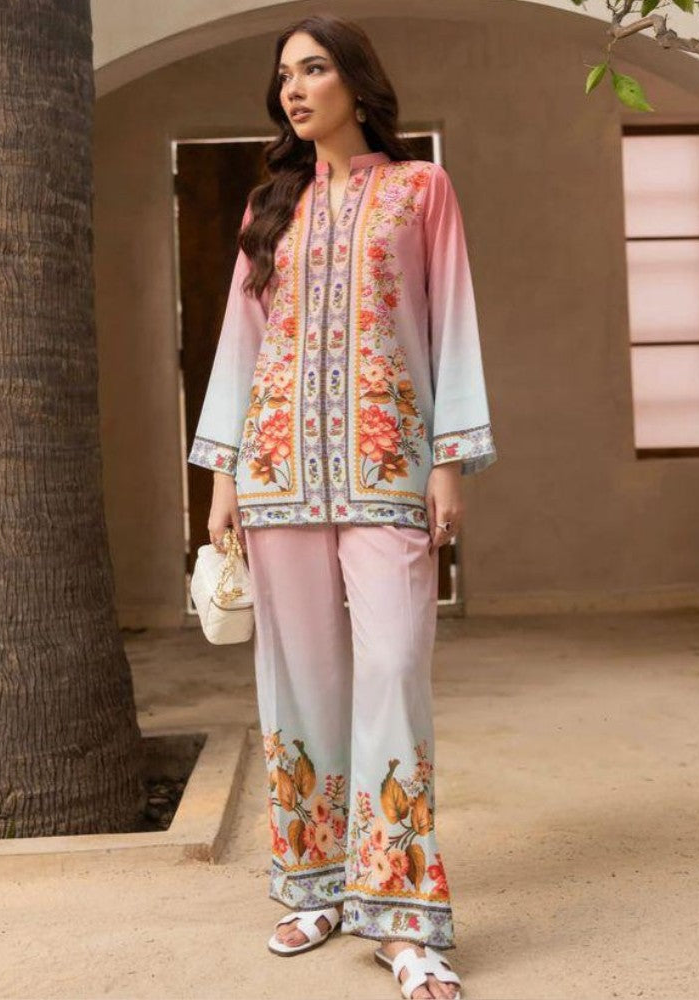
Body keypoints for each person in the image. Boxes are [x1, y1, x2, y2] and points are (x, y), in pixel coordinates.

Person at [187, 13, 496, 999]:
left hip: (386, 470)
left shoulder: (420, 191)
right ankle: (315, 881)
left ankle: (403, 919)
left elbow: (449, 322)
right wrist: (224, 475)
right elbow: (241, 350)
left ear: (356, 85)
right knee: (300, 684)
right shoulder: (267, 206)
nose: (294, 87)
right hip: (277, 479)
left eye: (313, 69)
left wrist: (446, 461)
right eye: (283, 74)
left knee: (395, 669)